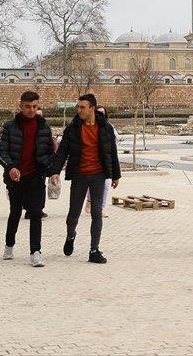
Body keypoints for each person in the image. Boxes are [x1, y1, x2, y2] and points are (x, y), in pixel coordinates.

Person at [48, 94, 120, 264]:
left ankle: (94, 250)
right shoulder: (72, 128)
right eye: (78, 107)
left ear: (92, 108)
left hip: (98, 175)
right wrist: (55, 172)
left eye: (82, 107)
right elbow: (62, 152)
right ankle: (70, 235)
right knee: (73, 214)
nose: (79, 110)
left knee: (96, 213)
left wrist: (116, 175)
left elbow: (112, 152)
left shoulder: (105, 128)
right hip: (79, 175)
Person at [0, 91, 55, 267]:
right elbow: (1, 151)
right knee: (15, 212)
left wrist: (51, 171)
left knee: (36, 213)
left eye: (35, 106)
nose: (31, 110)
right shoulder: (9, 127)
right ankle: (9, 244)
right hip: (16, 178)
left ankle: (35, 252)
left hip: (36, 177)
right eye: (28, 106)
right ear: (20, 106)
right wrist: (10, 167)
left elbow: (50, 153)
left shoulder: (44, 128)